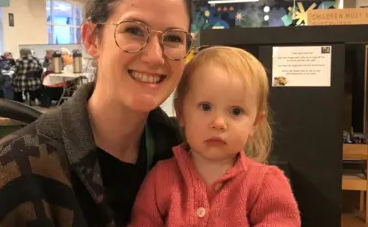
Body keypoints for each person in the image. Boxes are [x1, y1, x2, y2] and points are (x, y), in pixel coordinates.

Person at [0, 0, 193, 227]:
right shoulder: (20, 167)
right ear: (92, 38)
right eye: (134, 30)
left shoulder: (186, 152)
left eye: (173, 37)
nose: (154, 56)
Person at [129, 47, 301, 226]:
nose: (219, 123)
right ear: (180, 112)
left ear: (255, 123)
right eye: (205, 107)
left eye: (236, 111)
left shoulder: (266, 184)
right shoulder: (160, 178)